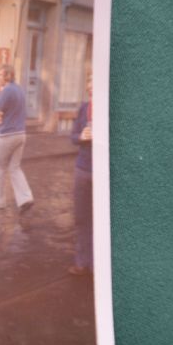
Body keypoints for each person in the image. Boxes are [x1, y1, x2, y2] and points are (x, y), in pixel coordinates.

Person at [0, 64, 34, 214]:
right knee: (14, 168)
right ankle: (25, 198)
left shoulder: (6, 91)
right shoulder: (19, 89)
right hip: (21, 134)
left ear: (7, 75)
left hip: (6, 135)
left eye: (0, 75)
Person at [68, 73, 93, 276]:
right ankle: (82, 261)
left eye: (96, 80)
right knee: (81, 217)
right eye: (89, 80)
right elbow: (73, 136)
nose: (92, 84)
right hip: (82, 168)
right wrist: (81, 136)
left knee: (99, 219)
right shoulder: (84, 108)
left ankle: (96, 265)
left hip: (101, 171)